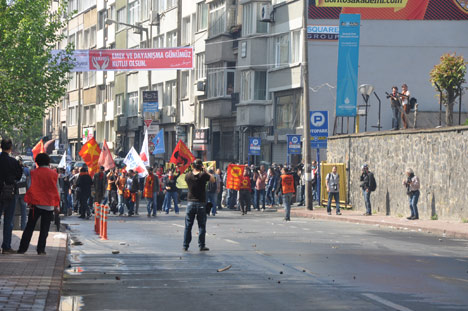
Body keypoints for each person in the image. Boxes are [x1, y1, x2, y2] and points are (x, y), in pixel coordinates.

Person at [17, 153, 60, 255]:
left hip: (35, 204)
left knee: (29, 227)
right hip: (49, 205)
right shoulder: (54, 174)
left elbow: (30, 187)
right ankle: (41, 250)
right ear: (48, 162)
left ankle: (22, 249)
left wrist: (30, 201)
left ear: (37, 162)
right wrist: (57, 205)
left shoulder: (33, 173)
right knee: (45, 229)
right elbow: (57, 190)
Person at [183, 159, 215, 251]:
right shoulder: (203, 175)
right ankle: (201, 245)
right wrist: (206, 171)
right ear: (201, 166)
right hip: (201, 203)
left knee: (188, 226)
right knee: (201, 226)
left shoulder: (188, 175)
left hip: (190, 203)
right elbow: (212, 180)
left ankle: (185, 245)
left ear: (193, 166)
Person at [0, 138, 23, 254]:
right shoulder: (13, 162)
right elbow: (19, 176)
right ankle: (6, 247)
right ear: (10, 148)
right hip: (10, 192)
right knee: (8, 220)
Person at [15, 156, 31, 229]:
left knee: (14, 209)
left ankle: (15, 226)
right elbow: (28, 181)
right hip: (22, 190)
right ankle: (23, 227)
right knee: (23, 210)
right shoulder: (26, 169)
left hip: (17, 190)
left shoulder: (14, 169)